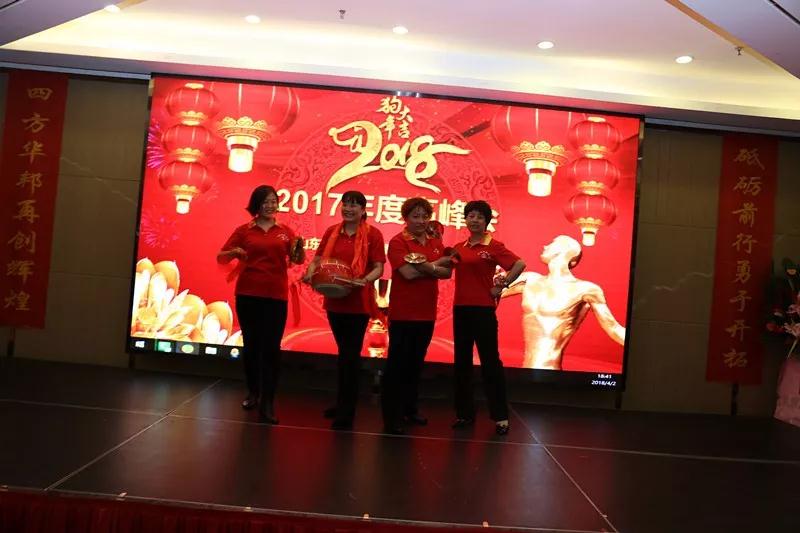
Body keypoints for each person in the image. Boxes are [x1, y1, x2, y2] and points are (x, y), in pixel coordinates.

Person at [217, 185, 305, 424]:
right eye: (265, 202)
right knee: (252, 347)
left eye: (273, 201)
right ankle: (253, 392)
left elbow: (297, 260)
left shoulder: (285, 231)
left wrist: (299, 251)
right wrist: (235, 251)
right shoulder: (244, 230)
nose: (270, 205)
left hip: (276, 296)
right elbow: (221, 257)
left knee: (272, 349)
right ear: (256, 205)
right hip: (248, 294)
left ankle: (268, 401)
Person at [302, 191, 385, 430]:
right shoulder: (332, 232)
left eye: (354, 205)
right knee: (343, 355)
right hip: (334, 300)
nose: (348, 208)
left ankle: (347, 411)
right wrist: (310, 273)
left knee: (350, 356)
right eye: (346, 204)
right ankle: (342, 403)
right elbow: (318, 260)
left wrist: (364, 280)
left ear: (363, 210)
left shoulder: (373, 234)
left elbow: (379, 267)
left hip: (358, 302)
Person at [448, 200, 525, 435]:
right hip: (461, 309)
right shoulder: (458, 247)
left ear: (486, 221)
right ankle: (464, 414)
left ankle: (500, 417)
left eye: (479, 217)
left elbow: (519, 264)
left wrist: (502, 284)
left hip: (483, 310)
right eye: (470, 216)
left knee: (490, 362)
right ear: (465, 219)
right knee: (462, 362)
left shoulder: (493, 246)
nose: (474, 220)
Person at [381, 198, 452, 435]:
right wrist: (434, 266)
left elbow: (446, 272)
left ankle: (410, 410)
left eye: (425, 216)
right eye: (415, 216)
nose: (421, 221)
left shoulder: (434, 241)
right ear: (405, 218)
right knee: (397, 366)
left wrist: (426, 265)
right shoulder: (398, 242)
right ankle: (391, 417)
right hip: (403, 313)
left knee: (415, 365)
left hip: (426, 313)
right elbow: (408, 274)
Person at [501, 235, 626, 370]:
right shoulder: (529, 280)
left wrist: (641, 347)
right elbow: (490, 293)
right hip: (524, 372)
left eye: (552, 243)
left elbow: (614, 328)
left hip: (551, 372)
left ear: (564, 250)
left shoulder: (585, 289)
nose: (545, 246)